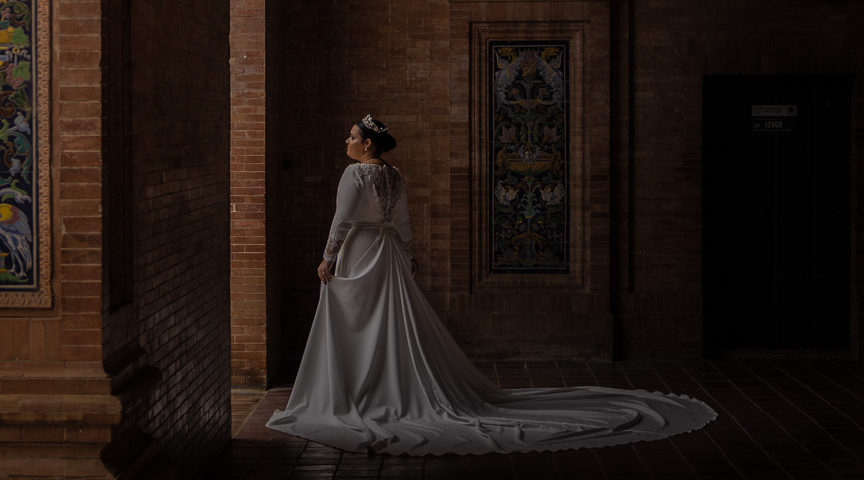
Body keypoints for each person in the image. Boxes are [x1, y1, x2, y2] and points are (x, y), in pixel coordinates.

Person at [267, 114, 715, 456]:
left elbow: (343, 219)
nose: (346, 141)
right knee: (390, 322)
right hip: (385, 254)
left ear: (366, 144)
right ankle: (386, 385)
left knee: (354, 323)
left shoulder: (355, 174)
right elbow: (402, 220)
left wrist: (328, 257)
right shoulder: (395, 174)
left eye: (351, 136)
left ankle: (353, 390)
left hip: (359, 249)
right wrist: (408, 252)